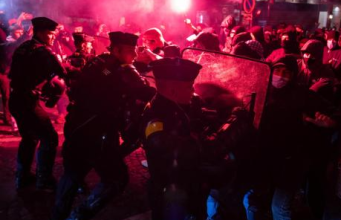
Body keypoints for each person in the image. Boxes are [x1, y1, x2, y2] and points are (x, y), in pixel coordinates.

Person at [51, 31, 155, 220]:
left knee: (73, 173)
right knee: (116, 178)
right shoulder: (122, 70)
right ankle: (79, 216)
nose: (135, 55)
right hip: (98, 133)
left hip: (76, 126)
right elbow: (147, 92)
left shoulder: (98, 61)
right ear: (116, 50)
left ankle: (58, 216)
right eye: (131, 51)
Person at [243, 55, 338, 220]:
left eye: (286, 73)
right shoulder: (261, 89)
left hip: (289, 162)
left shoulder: (302, 95)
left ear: (293, 76)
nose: (280, 75)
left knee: (279, 208)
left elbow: (334, 113)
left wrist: (327, 122)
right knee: (253, 201)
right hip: (261, 159)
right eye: (277, 70)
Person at [141, 58, 203, 220]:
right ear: (173, 91)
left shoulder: (172, 106)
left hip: (179, 186)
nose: (193, 91)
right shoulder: (158, 115)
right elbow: (164, 146)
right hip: (171, 193)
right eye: (190, 86)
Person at [8, 17, 66, 191]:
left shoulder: (23, 47)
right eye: (51, 33)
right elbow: (60, 76)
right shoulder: (42, 52)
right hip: (28, 102)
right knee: (50, 137)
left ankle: (22, 176)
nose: (54, 36)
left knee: (30, 138)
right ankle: (44, 180)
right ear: (40, 32)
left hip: (16, 100)